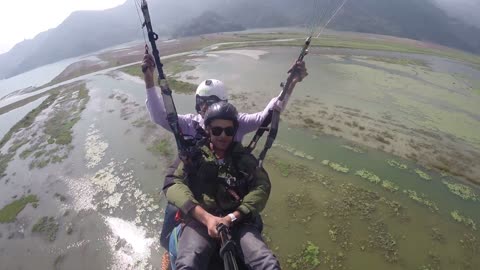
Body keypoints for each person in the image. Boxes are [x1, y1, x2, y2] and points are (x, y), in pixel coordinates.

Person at [141, 53, 308, 248]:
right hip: (193, 191)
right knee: (166, 238)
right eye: (201, 103)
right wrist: (148, 78)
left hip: (229, 192)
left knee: (255, 226)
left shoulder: (235, 122)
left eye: (210, 103)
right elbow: (160, 115)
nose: (205, 109)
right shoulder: (189, 124)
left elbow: (268, 115)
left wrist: (291, 84)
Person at [166, 102, 280, 270]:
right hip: (200, 221)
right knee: (188, 263)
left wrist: (233, 216)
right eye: (217, 130)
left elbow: (261, 186)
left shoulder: (244, 159)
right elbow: (172, 182)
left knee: (267, 262)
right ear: (208, 130)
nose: (223, 135)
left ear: (235, 132)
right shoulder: (193, 156)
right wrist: (205, 217)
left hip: (238, 223)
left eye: (229, 130)